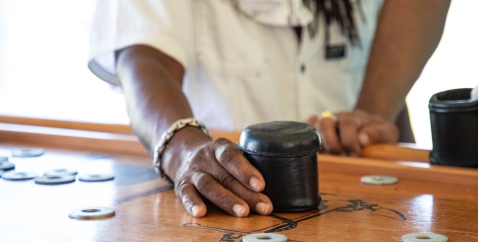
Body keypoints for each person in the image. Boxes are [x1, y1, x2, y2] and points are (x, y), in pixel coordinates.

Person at [88, 0, 450, 218]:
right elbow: (142, 62)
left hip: (365, 201)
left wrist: (372, 112)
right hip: (227, 204)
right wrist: (184, 151)